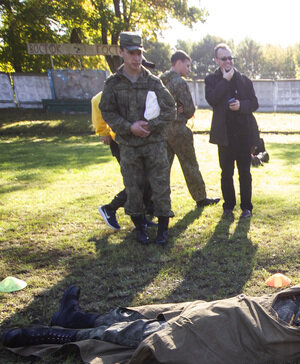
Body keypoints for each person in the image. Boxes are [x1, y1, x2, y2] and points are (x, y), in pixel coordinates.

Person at [1, 285, 300, 353]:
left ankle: (43, 334)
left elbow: (275, 332)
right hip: (217, 309)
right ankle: (76, 316)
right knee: (142, 315)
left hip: (211, 330)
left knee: (137, 333)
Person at [99, 31, 176, 245]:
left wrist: (150, 126)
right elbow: (107, 110)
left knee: (160, 186)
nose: (136, 58)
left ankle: (162, 229)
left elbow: (170, 110)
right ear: (121, 52)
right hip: (129, 146)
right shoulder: (113, 83)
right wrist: (129, 127)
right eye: (131, 53)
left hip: (154, 145)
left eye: (139, 53)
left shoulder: (153, 82)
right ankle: (140, 227)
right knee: (133, 187)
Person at [204, 43, 259, 219]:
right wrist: (225, 80)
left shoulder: (244, 80)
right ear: (217, 60)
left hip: (243, 135)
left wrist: (241, 106)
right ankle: (228, 206)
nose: (228, 61)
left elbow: (254, 103)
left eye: (230, 58)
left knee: (245, 173)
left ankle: (246, 207)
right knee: (226, 173)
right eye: (224, 58)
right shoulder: (211, 80)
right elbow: (212, 99)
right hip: (224, 136)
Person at [159, 50, 220, 208]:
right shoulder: (179, 82)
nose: (189, 70)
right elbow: (189, 109)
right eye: (187, 65)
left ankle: (155, 202)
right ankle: (200, 197)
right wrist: (182, 110)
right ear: (178, 63)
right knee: (190, 165)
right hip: (178, 129)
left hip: (161, 129)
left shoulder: (158, 81)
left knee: (161, 169)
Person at [91, 88, 155, 231]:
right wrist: (103, 131)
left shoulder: (145, 85)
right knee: (137, 181)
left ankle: (142, 217)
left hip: (140, 141)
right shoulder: (118, 86)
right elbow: (96, 101)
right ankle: (110, 208)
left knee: (147, 179)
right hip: (122, 142)